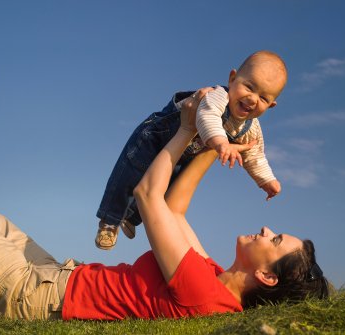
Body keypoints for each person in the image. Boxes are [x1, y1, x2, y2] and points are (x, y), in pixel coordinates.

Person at [0, 89, 328, 320]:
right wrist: (218, 142)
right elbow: (175, 210)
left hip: (33, 295)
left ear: (267, 277)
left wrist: (182, 130)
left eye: (276, 240)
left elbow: (147, 196)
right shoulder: (211, 277)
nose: (267, 230)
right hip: (55, 275)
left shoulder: (204, 293)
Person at [95, 50, 287, 250]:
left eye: (263, 98)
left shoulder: (251, 127)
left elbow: (254, 154)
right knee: (130, 173)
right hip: (157, 137)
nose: (252, 98)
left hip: (183, 154)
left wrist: (266, 181)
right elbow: (208, 117)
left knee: (165, 186)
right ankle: (110, 220)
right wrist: (222, 143)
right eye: (249, 86)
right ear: (232, 79)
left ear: (271, 106)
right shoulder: (218, 97)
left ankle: (131, 218)